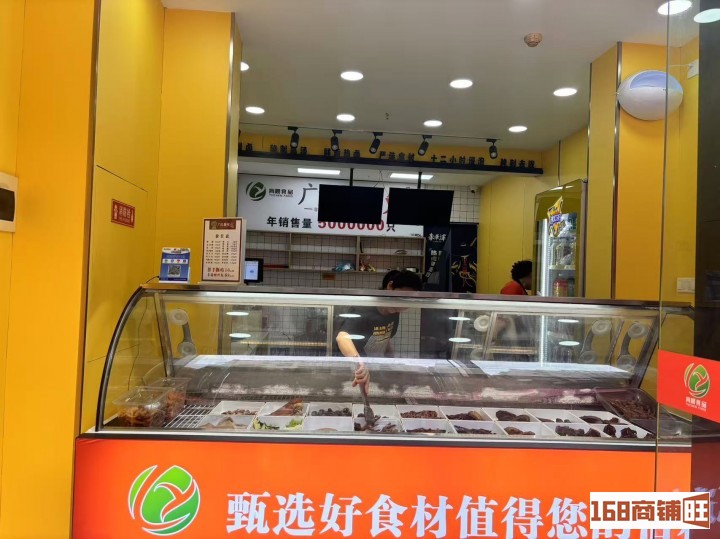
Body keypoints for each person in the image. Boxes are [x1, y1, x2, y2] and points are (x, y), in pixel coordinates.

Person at [335, 269, 423, 392]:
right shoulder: (364, 309)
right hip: (352, 369)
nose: (405, 305)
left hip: (371, 368)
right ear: (390, 286)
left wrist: (391, 365)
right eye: (403, 298)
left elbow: (385, 338)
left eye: (410, 301)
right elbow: (342, 337)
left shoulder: (394, 311)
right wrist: (360, 365)